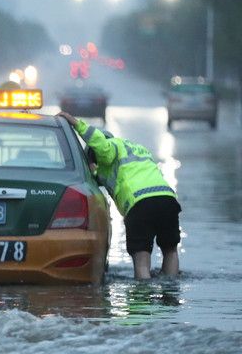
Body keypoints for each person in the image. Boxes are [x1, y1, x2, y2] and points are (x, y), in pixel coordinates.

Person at [57, 111, 181, 279]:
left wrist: (75, 123)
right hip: (167, 200)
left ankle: (142, 298)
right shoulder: (137, 151)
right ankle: (171, 295)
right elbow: (104, 176)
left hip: (140, 204)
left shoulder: (111, 146)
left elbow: (101, 146)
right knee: (170, 249)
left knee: (142, 259)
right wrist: (94, 171)